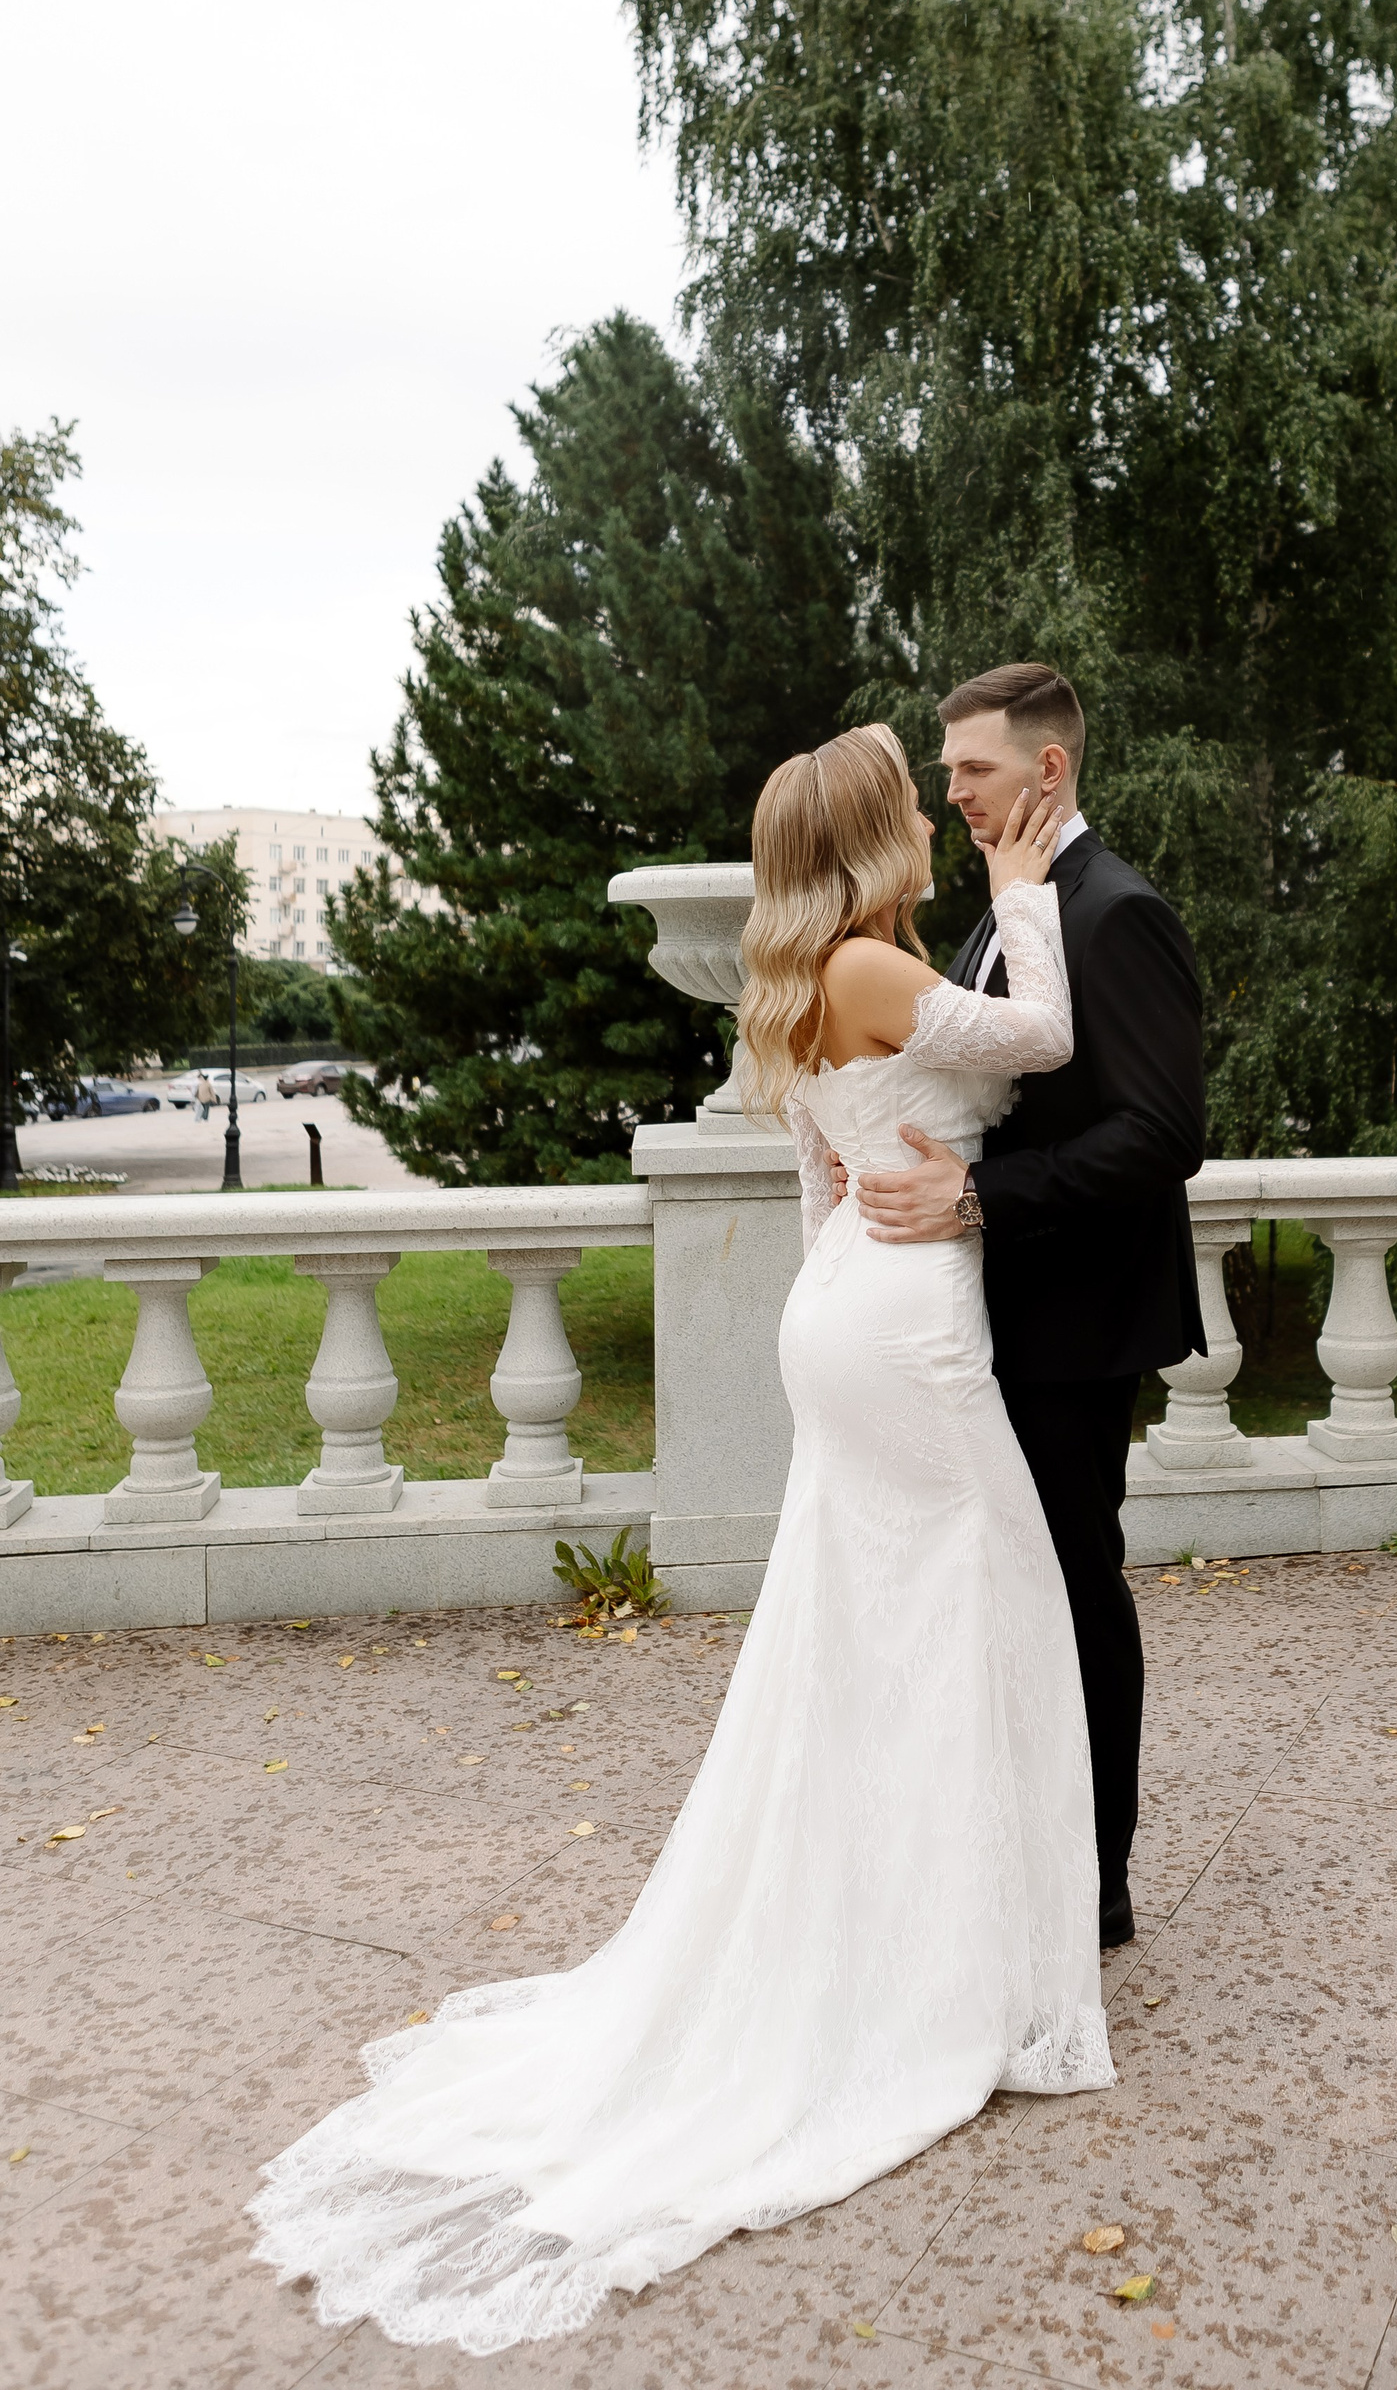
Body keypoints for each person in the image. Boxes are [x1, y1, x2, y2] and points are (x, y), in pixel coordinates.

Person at [249, 724, 1113, 2355]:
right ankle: (954, 1972)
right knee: (981, 1611)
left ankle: (926, 1936)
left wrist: (849, 1294)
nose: (939, 818)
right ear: (871, 840)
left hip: (846, 1311)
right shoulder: (869, 971)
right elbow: (1051, 1040)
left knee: (872, 1636)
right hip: (907, 1326)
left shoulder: (793, 988)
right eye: (914, 802)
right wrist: (1025, 888)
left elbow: (815, 1191)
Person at [855, 663, 1207, 1949]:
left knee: (1072, 1588)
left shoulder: (1116, 912)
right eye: (947, 770)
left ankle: (1094, 1879)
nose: (952, 791)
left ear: (1047, 769)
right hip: (991, 1315)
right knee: (1004, 1592)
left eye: (974, 769)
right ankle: (1016, 1848)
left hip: (1077, 1321)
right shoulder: (1012, 904)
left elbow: (1163, 1134)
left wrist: (976, 1199)